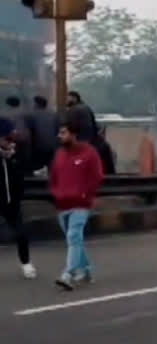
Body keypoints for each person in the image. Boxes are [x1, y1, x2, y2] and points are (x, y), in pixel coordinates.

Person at [49, 122, 104, 291]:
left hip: (80, 203)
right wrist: (56, 194)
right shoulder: (59, 154)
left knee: (73, 236)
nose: (60, 136)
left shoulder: (89, 152)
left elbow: (97, 176)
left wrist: (86, 195)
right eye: (60, 133)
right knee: (75, 240)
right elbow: (54, 177)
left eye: (64, 133)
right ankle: (86, 270)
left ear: (74, 134)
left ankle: (68, 274)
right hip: (62, 204)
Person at [0, 120, 35, 279]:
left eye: (12, 138)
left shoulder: (15, 155)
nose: (10, 142)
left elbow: (21, 175)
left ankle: (26, 264)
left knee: (21, 233)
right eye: (7, 139)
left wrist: (14, 159)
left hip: (12, 202)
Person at [27, 95, 59, 173]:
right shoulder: (54, 115)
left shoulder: (32, 115)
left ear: (37, 104)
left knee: (37, 167)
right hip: (52, 146)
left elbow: (29, 132)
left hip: (38, 146)